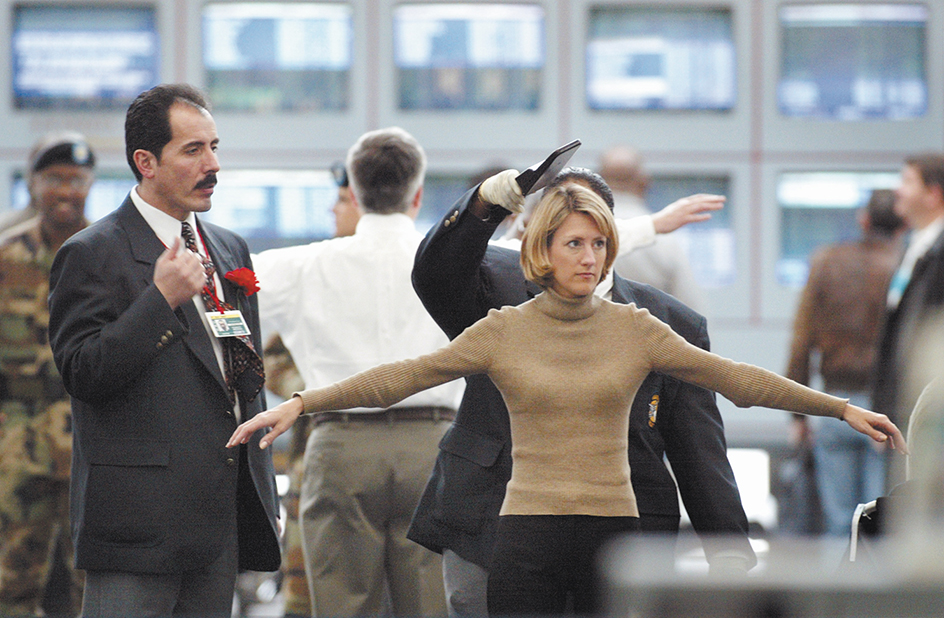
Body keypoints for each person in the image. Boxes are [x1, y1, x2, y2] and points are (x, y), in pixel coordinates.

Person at [230, 181, 905, 616]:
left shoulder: (649, 328)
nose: (589, 257)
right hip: (517, 528)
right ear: (539, 251)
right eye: (573, 243)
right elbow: (406, 375)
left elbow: (736, 383)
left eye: (599, 243)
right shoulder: (502, 322)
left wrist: (838, 407)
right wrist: (303, 402)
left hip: (619, 528)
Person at [406, 167, 743, 617]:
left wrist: (731, 559)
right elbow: (436, 270)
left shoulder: (670, 324)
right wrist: (484, 201)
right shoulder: (496, 291)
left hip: (621, 543)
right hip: (491, 526)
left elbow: (699, 451)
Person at [46, 84, 281, 618]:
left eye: (214, 146)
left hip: (218, 523)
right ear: (145, 162)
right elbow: (84, 375)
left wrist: (262, 495)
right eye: (193, 150)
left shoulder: (228, 248)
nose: (213, 164)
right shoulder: (90, 253)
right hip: (137, 529)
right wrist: (161, 301)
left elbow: (243, 377)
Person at [251, 127, 461, 618]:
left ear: (354, 192)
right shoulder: (460, 262)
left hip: (340, 446)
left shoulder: (300, 266)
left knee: (344, 609)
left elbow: (212, 291)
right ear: (418, 194)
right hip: (434, 449)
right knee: (433, 609)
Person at [0, 132, 95, 617]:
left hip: (92, 441)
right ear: (33, 183)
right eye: (54, 178)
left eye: (76, 179)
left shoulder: (109, 256)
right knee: (11, 579)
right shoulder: (4, 256)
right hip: (17, 441)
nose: (66, 190)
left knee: (94, 578)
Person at [785, 188, 905, 536]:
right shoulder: (905, 267)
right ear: (902, 226)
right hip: (888, 411)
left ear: (863, 220)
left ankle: (835, 589)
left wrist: (798, 412)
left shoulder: (826, 261)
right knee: (880, 523)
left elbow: (801, 339)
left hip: (835, 405)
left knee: (838, 522)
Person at [874, 153, 944, 486]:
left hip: (931, 410)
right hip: (905, 406)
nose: (898, 191)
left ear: (933, 194)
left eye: (907, 181)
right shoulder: (914, 248)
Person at [599, 145, 705, 311]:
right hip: (651, 335)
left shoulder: (582, 232)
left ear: (597, 181)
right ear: (644, 182)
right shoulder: (665, 237)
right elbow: (690, 307)